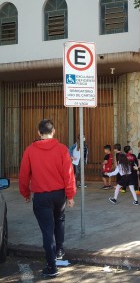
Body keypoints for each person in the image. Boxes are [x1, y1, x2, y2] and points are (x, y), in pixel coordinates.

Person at [19, 119, 76, 278]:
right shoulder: (62, 149)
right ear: (54, 131)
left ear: (39, 133)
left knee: (47, 230)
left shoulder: (30, 150)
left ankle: (52, 267)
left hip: (41, 197)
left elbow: (24, 175)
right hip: (59, 195)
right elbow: (68, 174)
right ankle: (59, 251)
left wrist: (25, 193)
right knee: (59, 220)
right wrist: (70, 195)